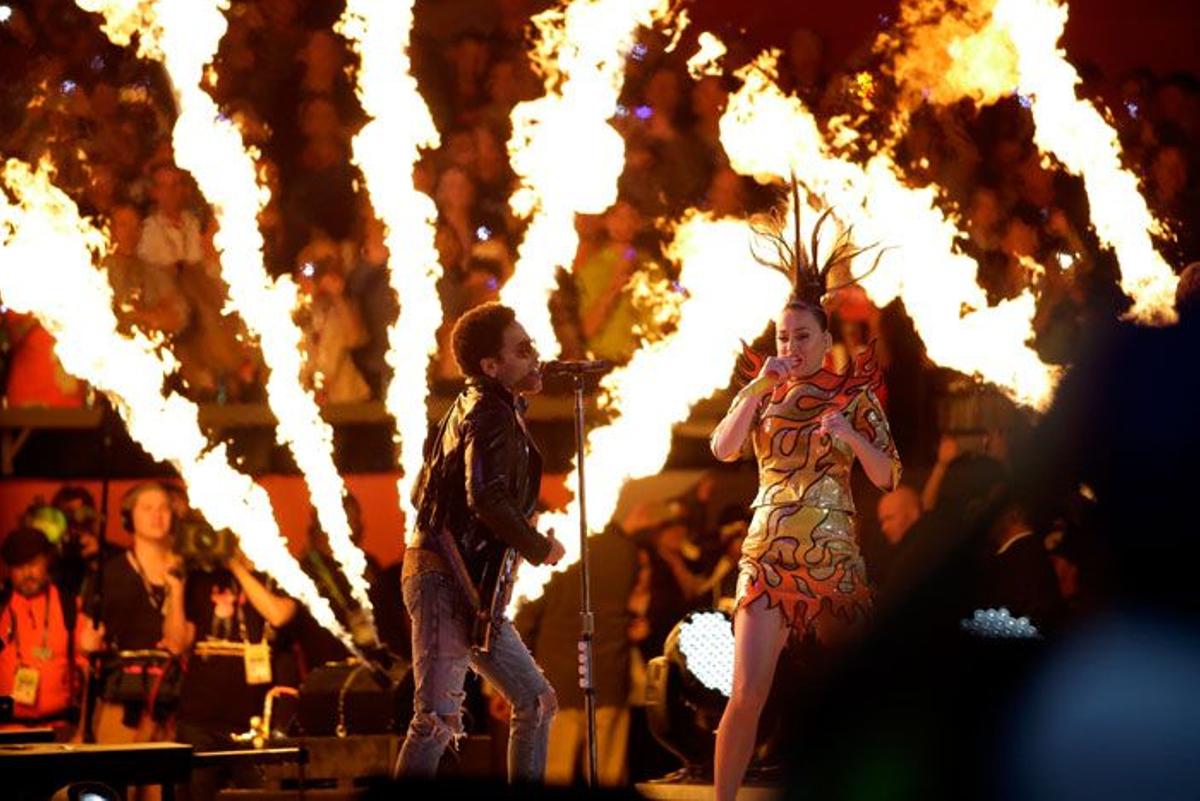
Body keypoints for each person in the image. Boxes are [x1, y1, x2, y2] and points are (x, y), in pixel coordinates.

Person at [708, 199, 901, 801]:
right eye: (781, 335)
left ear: (824, 338)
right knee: (746, 693)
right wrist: (756, 388)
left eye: (800, 335)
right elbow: (723, 449)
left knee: (863, 688)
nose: (789, 344)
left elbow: (889, 476)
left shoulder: (852, 393)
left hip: (834, 552)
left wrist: (848, 436)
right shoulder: (762, 391)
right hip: (768, 553)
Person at [395, 302, 565, 783]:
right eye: (523, 349)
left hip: (467, 586)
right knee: (435, 721)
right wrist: (537, 546)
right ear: (492, 367)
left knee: (535, 701)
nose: (536, 357)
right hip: (446, 579)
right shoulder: (489, 410)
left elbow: (423, 490)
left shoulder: (476, 407)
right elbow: (486, 496)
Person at [78, 482, 193, 757]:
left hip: (175, 704)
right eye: (147, 508)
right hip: (120, 703)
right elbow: (86, 652)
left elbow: (183, 642)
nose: (157, 515)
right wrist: (87, 644)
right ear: (129, 517)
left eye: (164, 508)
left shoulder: (190, 570)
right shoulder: (108, 574)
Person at [0, 527, 79, 736]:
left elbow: (85, 666)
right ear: (9, 570)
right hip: (6, 730)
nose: (27, 573)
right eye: (19, 566)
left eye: (34, 563)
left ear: (48, 562)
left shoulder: (69, 605)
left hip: (61, 729)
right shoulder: (1, 608)